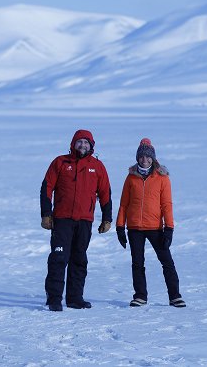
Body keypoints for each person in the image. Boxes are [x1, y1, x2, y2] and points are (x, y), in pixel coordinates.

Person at [40, 129, 113, 311]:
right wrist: (46, 213)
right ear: (73, 144)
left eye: (86, 142)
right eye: (79, 142)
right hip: (62, 219)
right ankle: (54, 298)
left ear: (91, 146)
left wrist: (107, 218)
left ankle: (75, 297)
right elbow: (46, 188)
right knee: (58, 257)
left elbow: (105, 193)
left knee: (79, 259)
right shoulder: (60, 162)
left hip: (84, 220)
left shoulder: (97, 166)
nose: (83, 145)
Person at [116, 138, 186, 308]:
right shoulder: (131, 177)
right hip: (134, 228)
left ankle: (175, 296)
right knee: (137, 263)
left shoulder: (162, 178)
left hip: (155, 227)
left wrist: (169, 228)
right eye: (141, 157)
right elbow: (124, 203)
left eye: (148, 157)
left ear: (153, 158)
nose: (144, 160)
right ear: (137, 158)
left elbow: (166, 205)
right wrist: (120, 226)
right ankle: (140, 296)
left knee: (167, 262)